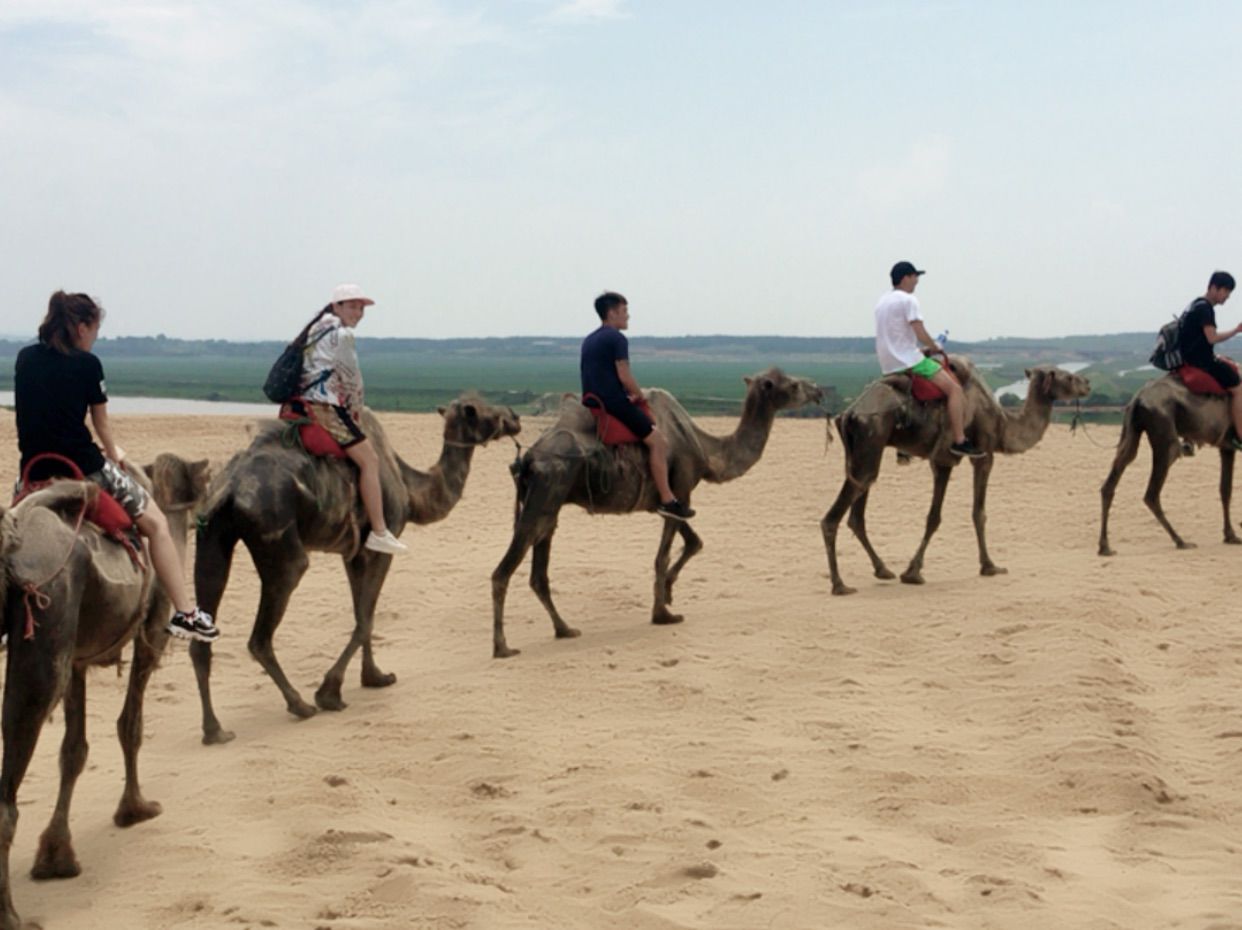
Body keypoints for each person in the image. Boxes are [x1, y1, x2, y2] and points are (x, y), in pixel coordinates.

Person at [14, 291, 219, 642]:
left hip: (32, 470)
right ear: (80, 328)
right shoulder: (88, 365)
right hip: (83, 467)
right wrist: (116, 456)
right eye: (94, 329)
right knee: (156, 525)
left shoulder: (24, 358)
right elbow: (102, 425)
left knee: (11, 538)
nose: (95, 337)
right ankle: (186, 613)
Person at [295, 283, 407, 554]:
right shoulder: (342, 335)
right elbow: (352, 378)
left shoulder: (315, 328)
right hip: (326, 408)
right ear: (337, 306)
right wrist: (356, 409)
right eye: (353, 306)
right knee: (370, 460)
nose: (358, 312)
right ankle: (379, 531)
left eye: (361, 307)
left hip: (302, 404)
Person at [580, 291, 694, 521]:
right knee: (658, 442)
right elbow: (624, 374)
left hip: (594, 401)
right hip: (614, 404)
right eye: (624, 312)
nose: (628, 317)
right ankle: (667, 500)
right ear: (611, 313)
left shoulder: (589, 339)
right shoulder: (617, 339)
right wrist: (639, 395)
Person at [874, 261, 984, 458]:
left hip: (888, 364)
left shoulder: (882, 301)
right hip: (909, 362)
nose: (916, 281)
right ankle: (960, 440)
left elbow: (897, 337)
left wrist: (920, 349)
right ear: (905, 278)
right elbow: (918, 330)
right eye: (915, 276)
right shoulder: (909, 300)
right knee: (955, 390)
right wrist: (934, 347)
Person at [1178, 270, 1242, 448]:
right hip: (1202, 362)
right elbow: (1211, 338)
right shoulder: (1205, 308)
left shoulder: (1194, 304)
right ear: (1214, 287)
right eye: (1225, 291)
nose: (1227, 296)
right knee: (1238, 388)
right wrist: (1236, 331)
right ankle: (1240, 434)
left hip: (1189, 358)